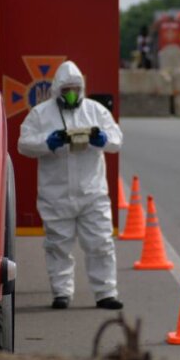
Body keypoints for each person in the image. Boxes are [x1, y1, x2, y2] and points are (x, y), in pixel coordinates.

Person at [18, 61, 124, 310]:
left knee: (101, 243)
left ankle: (106, 293)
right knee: (57, 246)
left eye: (75, 88)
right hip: (56, 194)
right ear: (57, 89)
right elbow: (23, 144)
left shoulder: (95, 111)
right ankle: (61, 293)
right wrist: (48, 142)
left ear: (83, 87)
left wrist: (102, 139)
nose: (71, 93)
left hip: (92, 193)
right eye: (66, 89)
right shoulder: (41, 114)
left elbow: (117, 140)